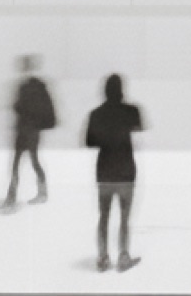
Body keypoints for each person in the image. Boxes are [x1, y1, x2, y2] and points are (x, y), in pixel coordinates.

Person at [85, 73, 143, 271]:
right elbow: (139, 126)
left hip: (104, 171)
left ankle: (103, 258)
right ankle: (123, 255)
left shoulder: (96, 114)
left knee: (104, 216)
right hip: (126, 170)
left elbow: (89, 141)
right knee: (125, 218)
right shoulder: (132, 111)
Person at [2, 55, 56, 209]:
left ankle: (14, 197)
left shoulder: (28, 86)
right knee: (29, 161)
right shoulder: (35, 85)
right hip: (30, 130)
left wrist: (18, 108)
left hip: (27, 130)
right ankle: (39, 193)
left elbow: (22, 107)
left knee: (23, 162)